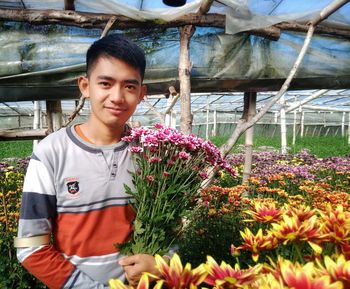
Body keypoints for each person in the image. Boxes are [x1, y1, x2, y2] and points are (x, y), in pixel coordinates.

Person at [15, 34, 162, 289]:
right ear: (85, 86)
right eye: (105, 83)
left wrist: (162, 263)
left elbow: (169, 228)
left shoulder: (153, 154)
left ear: (142, 93)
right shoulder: (51, 152)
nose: (117, 96)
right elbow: (30, 249)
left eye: (129, 86)